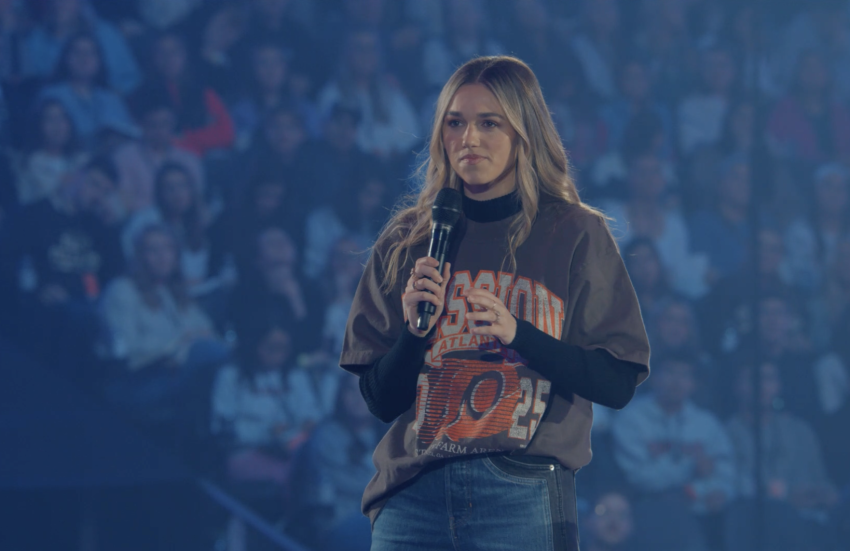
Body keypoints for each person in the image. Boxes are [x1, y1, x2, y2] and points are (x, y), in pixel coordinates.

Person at [340, 56, 650, 550]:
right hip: (413, 491)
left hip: (520, 485)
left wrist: (519, 335)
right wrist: (415, 333)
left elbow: (615, 382)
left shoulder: (573, 232)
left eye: (489, 123)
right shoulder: (406, 240)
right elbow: (381, 400)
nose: (469, 139)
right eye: (455, 123)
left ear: (523, 131)